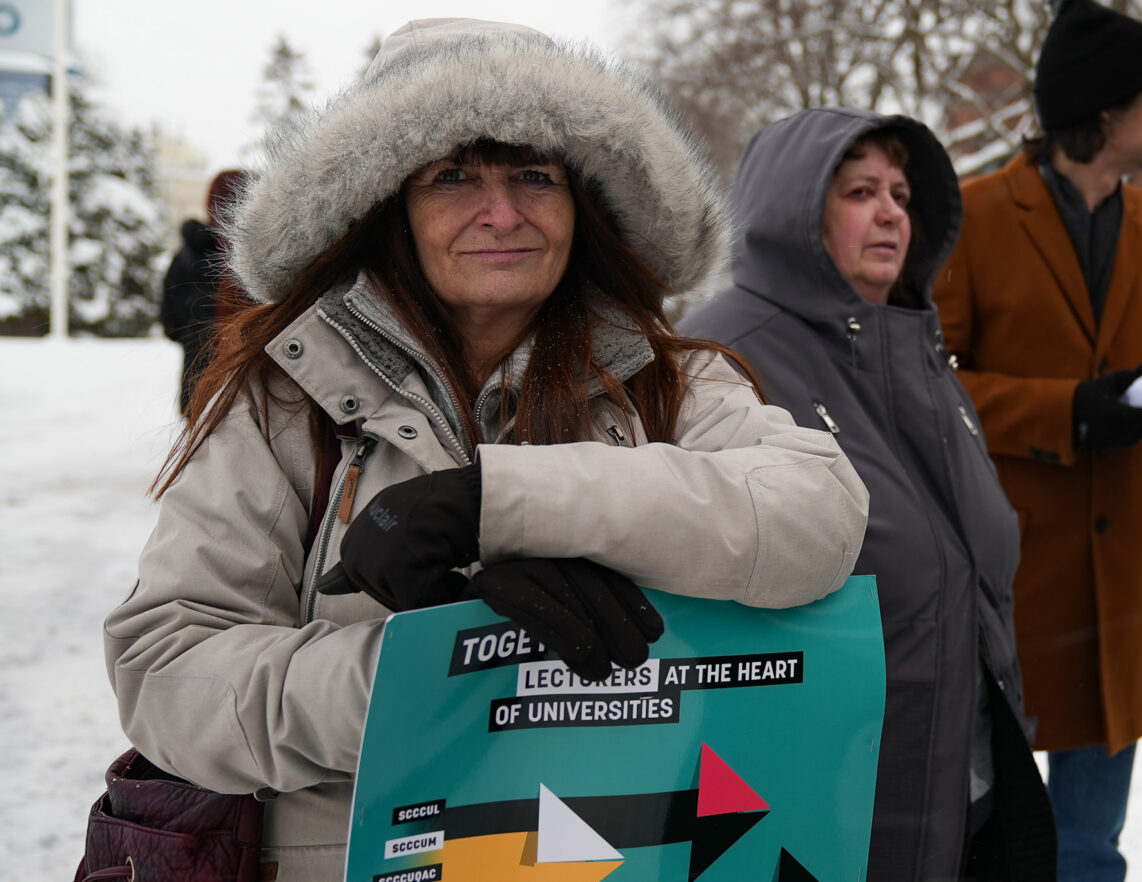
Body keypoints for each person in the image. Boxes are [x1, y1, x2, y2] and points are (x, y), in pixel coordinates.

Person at [102, 19, 869, 882]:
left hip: (627, 853)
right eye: (454, 175)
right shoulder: (286, 400)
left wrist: (498, 504)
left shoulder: (667, 380)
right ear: (390, 204)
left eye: (535, 175)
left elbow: (818, 515)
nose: (501, 213)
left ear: (585, 203)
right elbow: (167, 674)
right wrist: (440, 675)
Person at [679, 108, 1055, 881]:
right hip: (819, 819)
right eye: (858, 192)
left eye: (901, 194)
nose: (890, 212)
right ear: (792, 209)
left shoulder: (916, 350)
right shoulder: (723, 356)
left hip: (968, 791)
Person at [930, 1, 1142, 879]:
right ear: (1106, 109)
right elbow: (928, 393)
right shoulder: (975, 216)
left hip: (1119, 606)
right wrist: (1066, 411)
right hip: (1013, 593)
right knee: (997, 850)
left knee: (1094, 856)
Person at [159, 169, 250, 413]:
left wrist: (197, 336)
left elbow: (169, 323)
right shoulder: (266, 260)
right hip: (255, 396)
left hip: (200, 390)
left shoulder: (186, 257)